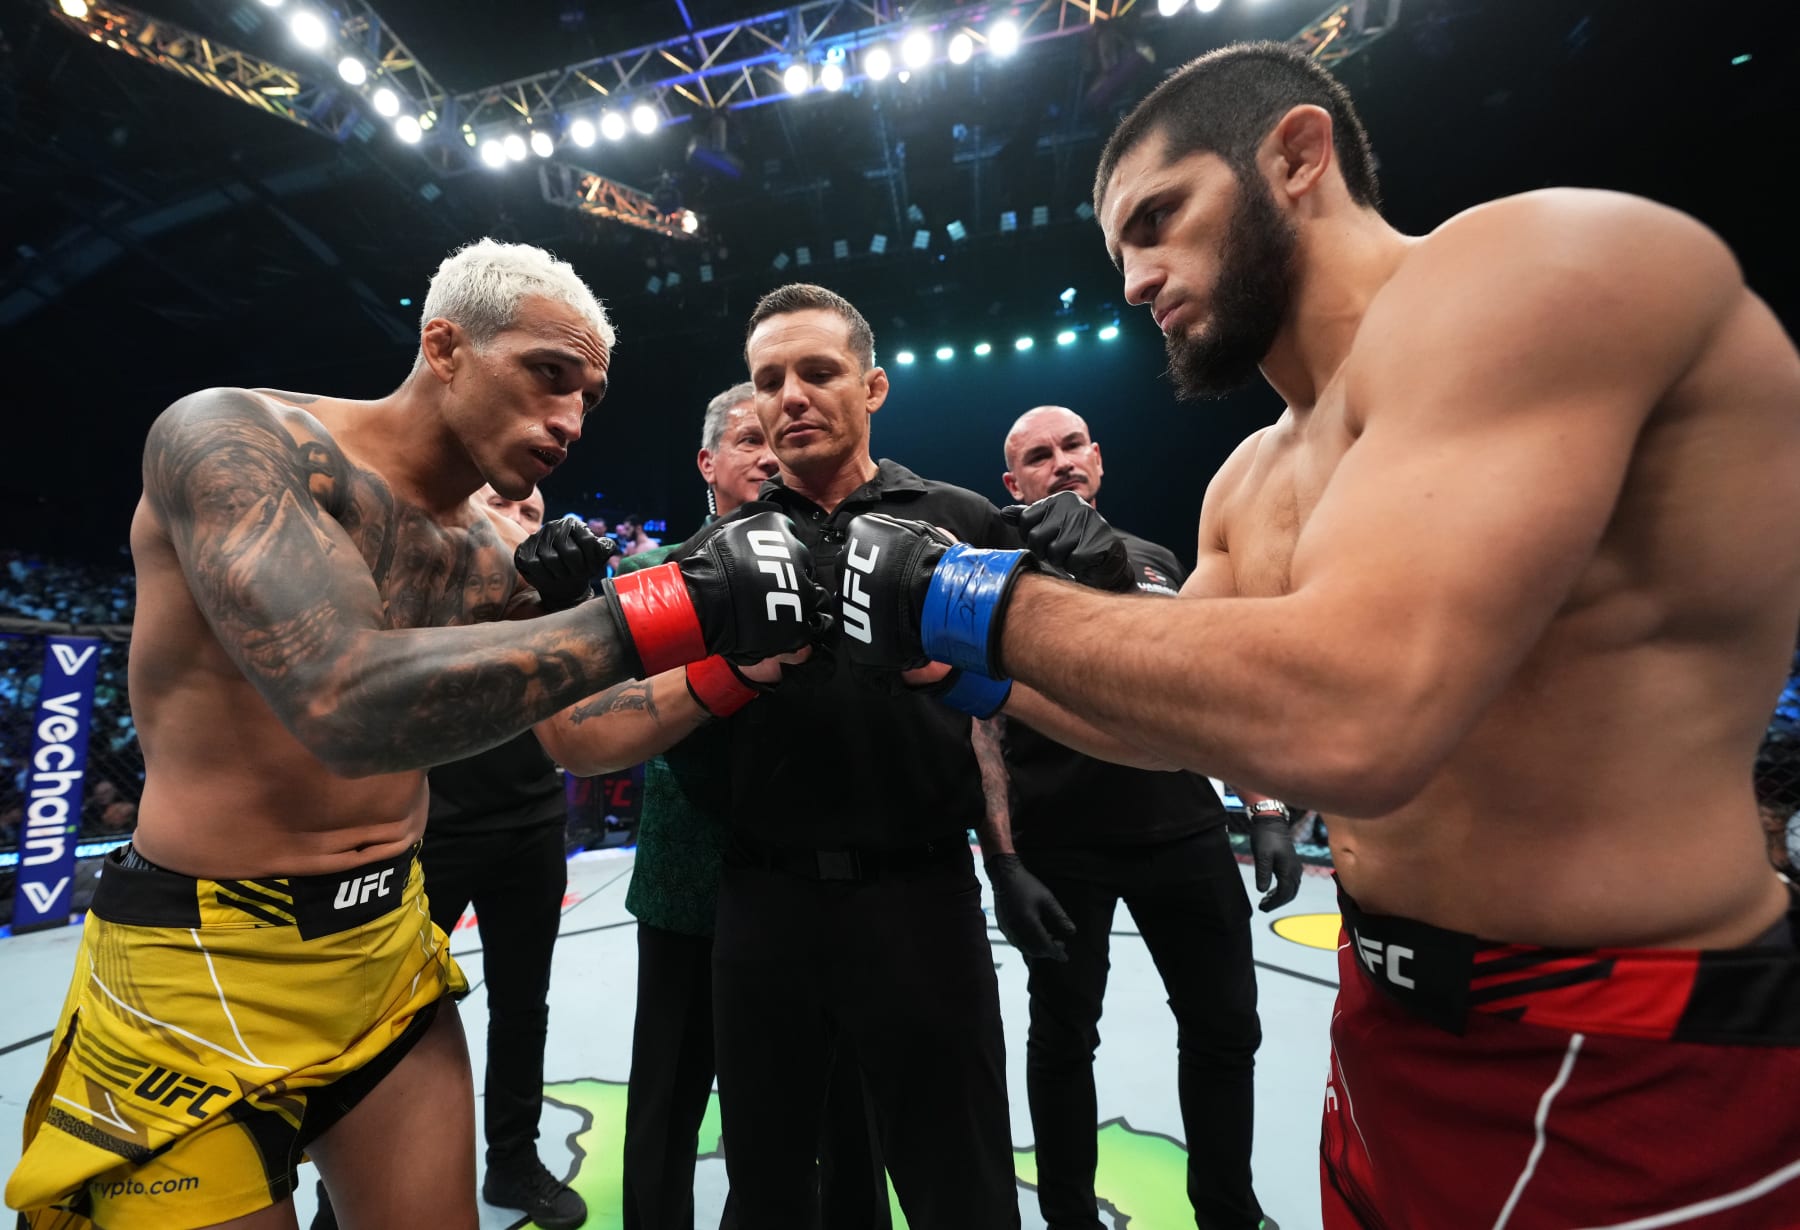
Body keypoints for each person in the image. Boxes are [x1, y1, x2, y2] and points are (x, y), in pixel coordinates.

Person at [839, 41, 1800, 1229]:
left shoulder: (1543, 262)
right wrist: (954, 665)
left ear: (1296, 154)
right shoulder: (1250, 476)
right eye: (1121, 252)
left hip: (1635, 1044)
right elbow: (1176, 726)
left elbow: (1354, 716)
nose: (1137, 280)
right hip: (1386, 1016)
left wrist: (959, 594)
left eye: (1160, 217)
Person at [5, 238, 826, 1230]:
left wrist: (733, 660)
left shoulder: (494, 550)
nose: (568, 419)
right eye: (548, 376)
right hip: (197, 957)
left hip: (388, 948)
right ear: (446, 347)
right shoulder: (232, 439)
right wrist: (662, 606)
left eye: (589, 399)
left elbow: (580, 737)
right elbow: (343, 704)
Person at [522, 286, 1023, 1228]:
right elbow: (588, 733)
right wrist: (731, 672)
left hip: (920, 899)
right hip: (759, 906)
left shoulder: (959, 523)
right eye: (769, 380)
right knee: (770, 1187)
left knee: (961, 1183)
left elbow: (1029, 704)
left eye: (817, 372)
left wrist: (946, 682)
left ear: (872, 387)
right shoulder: (715, 554)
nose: (788, 396)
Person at [971, 404, 1291, 1230]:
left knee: (1226, 1030)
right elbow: (982, 724)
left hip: (1180, 829)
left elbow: (1208, 686)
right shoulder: (992, 573)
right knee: (1064, 1037)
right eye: (1039, 456)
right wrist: (1003, 861)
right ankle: (1069, 1217)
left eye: (1073, 445)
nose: (1062, 462)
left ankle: (1227, 1210)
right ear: (1015, 483)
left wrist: (1264, 805)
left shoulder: (1151, 559)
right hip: (1060, 844)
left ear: (1099, 459)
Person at [578, 381, 885, 1229]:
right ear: (708, 463)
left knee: (829, 1099)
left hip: (821, 881)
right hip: (691, 879)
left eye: (775, 442)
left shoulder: (839, 564)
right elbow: (595, 724)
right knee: (671, 1092)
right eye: (747, 440)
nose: (767, 454)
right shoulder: (652, 573)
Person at [309, 483, 587, 1230]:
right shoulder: (421, 576)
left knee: (524, 1005)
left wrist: (574, 599)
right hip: (426, 829)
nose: (520, 524)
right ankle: (340, 1195)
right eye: (504, 505)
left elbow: (588, 711)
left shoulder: (548, 601)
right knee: (384, 1020)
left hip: (529, 820)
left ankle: (514, 1164)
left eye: (533, 514)